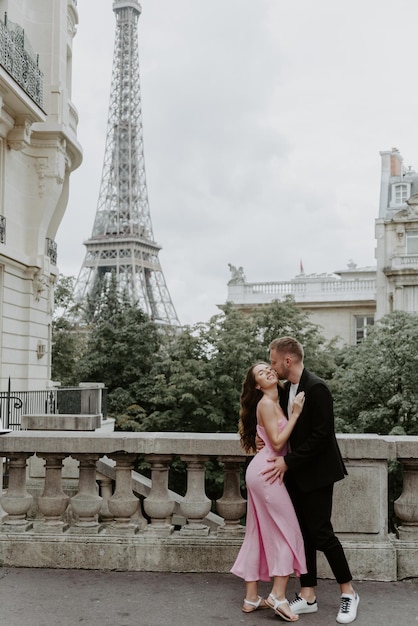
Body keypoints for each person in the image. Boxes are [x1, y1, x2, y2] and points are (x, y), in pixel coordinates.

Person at [262, 336, 359, 624]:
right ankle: (307, 595)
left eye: (274, 361)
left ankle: (349, 593)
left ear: (287, 361)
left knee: (321, 533)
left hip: (316, 474)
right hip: (294, 475)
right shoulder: (286, 390)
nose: (272, 365)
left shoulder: (317, 388)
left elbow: (322, 436)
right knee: (301, 534)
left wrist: (288, 461)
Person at [230, 362, 307, 623]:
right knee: (289, 533)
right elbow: (276, 442)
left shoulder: (275, 398)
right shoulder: (265, 403)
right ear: (257, 385)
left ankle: (252, 598)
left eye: (268, 368)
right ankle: (277, 596)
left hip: (262, 470)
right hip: (267, 473)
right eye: (261, 373)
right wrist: (295, 414)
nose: (268, 372)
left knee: (257, 534)